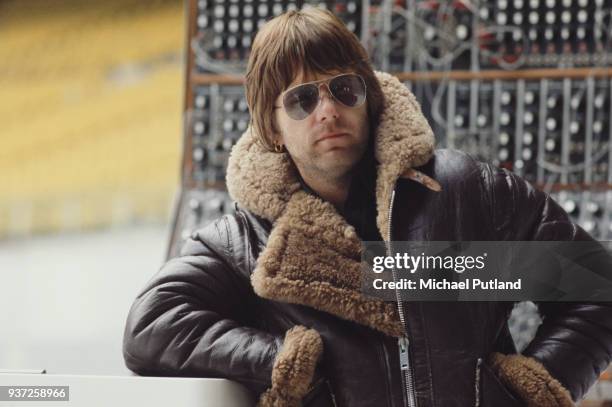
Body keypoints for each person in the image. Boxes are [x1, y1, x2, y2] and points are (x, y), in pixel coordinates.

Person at [123, 7, 612, 407]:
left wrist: (532, 391)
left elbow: (595, 287)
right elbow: (151, 328)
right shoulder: (245, 241)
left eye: (344, 88)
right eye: (301, 100)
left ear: (369, 97)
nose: (328, 110)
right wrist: (284, 360)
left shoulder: (469, 192)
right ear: (272, 127)